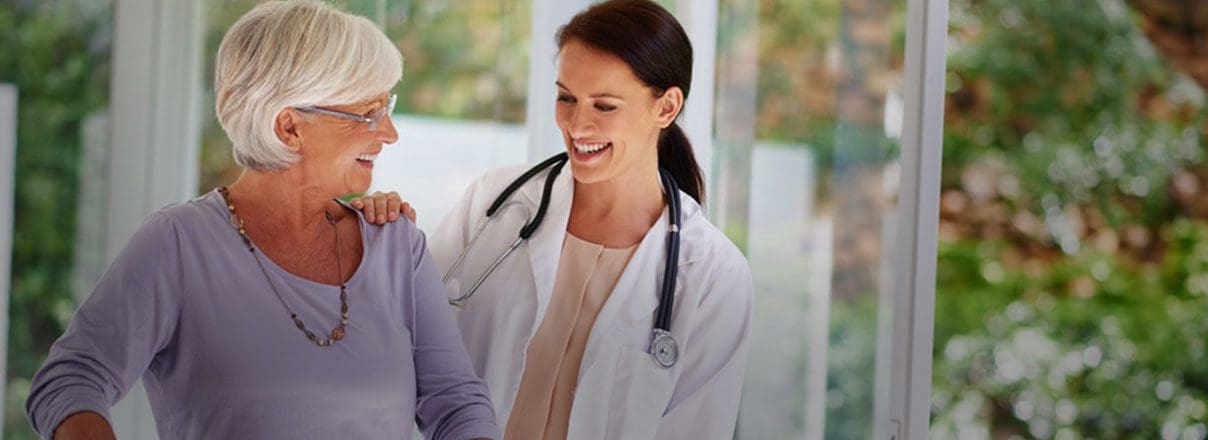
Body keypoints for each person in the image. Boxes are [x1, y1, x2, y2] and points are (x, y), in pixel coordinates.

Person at [24, 1, 498, 439]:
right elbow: (71, 380)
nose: (389, 133)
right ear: (289, 127)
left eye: (386, 108)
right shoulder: (177, 245)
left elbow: (455, 403)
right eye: (367, 114)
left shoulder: (397, 245)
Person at [354, 0, 753, 438]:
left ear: (666, 107)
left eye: (604, 106)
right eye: (566, 98)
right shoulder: (494, 205)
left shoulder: (714, 274)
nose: (577, 125)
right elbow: (397, 340)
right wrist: (376, 240)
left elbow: (695, 429)